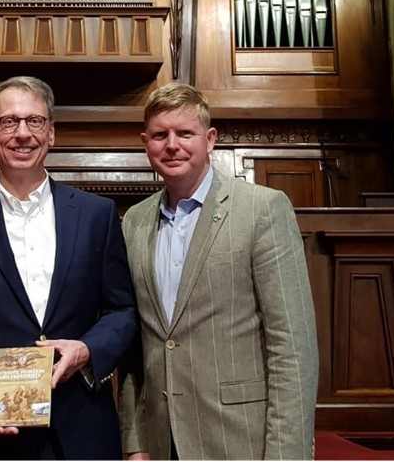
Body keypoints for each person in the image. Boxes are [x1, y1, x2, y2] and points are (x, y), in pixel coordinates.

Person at [0, 76, 138, 460]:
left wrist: (87, 349)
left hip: (83, 430)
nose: (23, 133)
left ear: (51, 133)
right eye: (9, 122)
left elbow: (122, 311)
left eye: (35, 121)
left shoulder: (96, 215)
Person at [118, 82, 318, 460]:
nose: (172, 144)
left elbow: (292, 346)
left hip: (239, 439)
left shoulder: (261, 210)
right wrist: (135, 442)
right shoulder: (135, 222)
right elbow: (135, 348)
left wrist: (286, 454)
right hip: (162, 442)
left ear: (209, 139)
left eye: (185, 133)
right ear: (146, 143)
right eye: (160, 135)